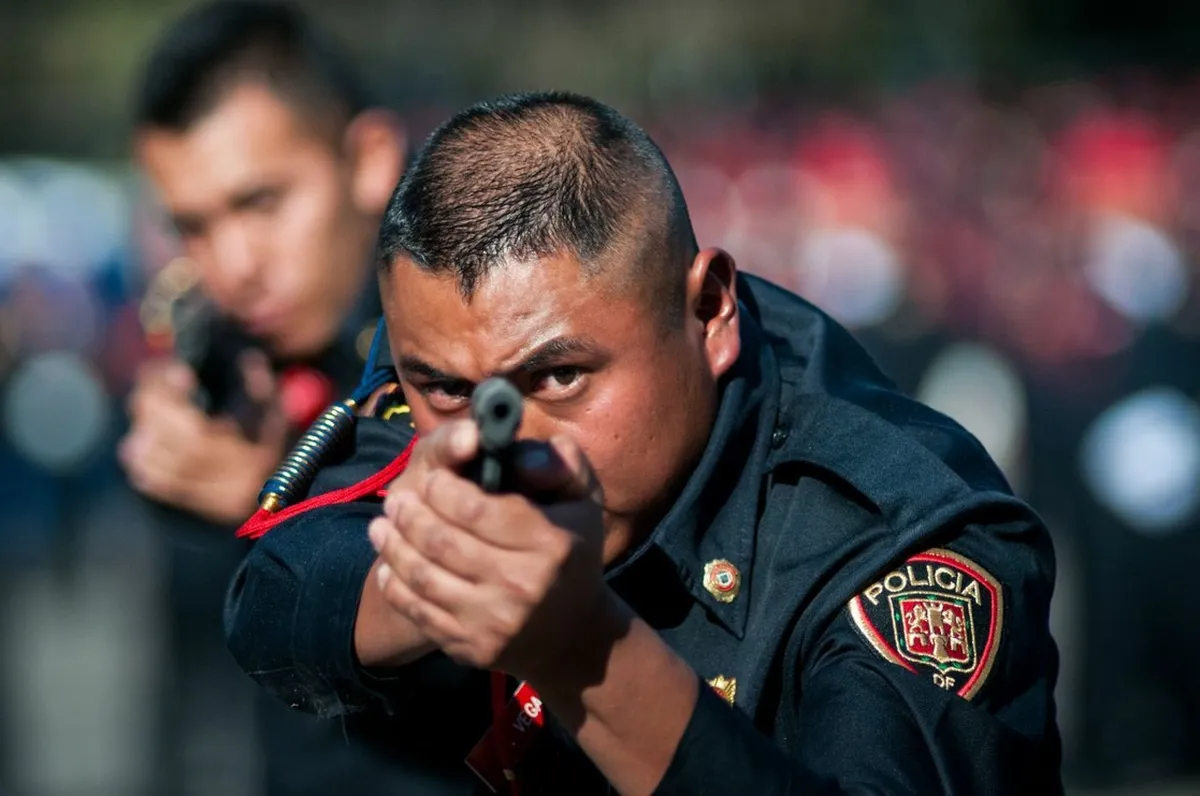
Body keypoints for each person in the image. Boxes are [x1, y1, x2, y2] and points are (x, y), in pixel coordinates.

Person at [226, 92, 1063, 794]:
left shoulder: (898, 535)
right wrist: (431, 576)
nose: (507, 438)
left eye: (559, 378)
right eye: (443, 389)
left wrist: (583, 649)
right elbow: (273, 592)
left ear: (710, 312)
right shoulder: (466, 376)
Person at [116, 2, 479, 794]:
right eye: (194, 226)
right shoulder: (237, 347)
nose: (233, 263)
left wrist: (271, 498)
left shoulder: (476, 325)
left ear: (370, 158)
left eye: (261, 203)